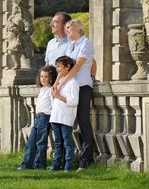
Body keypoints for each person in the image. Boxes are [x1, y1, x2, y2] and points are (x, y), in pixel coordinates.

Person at [56, 19, 95, 172]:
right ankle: (65, 161)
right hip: (70, 87)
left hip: (83, 86)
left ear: (79, 27)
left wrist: (62, 82)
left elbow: (77, 67)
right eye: (65, 28)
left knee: (83, 122)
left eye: (69, 27)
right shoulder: (69, 46)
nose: (67, 30)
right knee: (66, 123)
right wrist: (56, 82)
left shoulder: (86, 43)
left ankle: (85, 162)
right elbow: (63, 68)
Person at [16, 65, 57, 170]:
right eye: (41, 76)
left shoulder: (51, 90)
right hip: (37, 118)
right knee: (30, 143)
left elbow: (54, 105)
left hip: (45, 118)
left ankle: (39, 165)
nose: (43, 79)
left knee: (40, 143)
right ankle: (26, 165)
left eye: (46, 77)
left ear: (51, 78)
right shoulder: (43, 89)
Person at [50, 56, 79, 171]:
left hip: (65, 118)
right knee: (57, 143)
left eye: (59, 67)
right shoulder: (60, 82)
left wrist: (59, 97)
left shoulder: (73, 83)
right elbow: (54, 98)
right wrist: (55, 94)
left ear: (68, 67)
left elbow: (74, 101)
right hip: (55, 117)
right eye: (56, 66)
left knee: (67, 143)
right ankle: (56, 166)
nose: (57, 69)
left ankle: (68, 166)